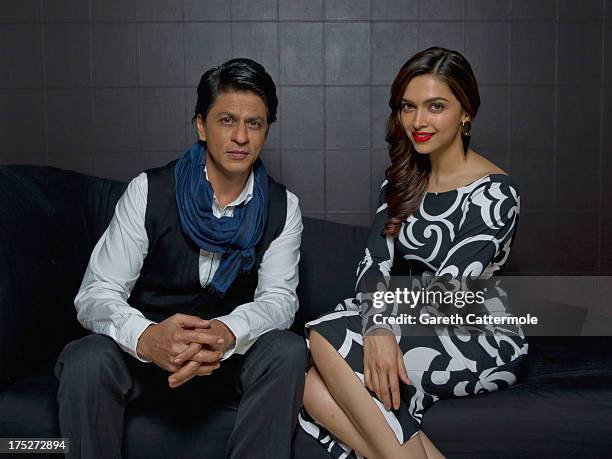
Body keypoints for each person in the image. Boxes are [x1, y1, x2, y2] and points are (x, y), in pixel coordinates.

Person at [54, 58, 307, 459]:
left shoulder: (281, 206)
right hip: (146, 358)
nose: (241, 136)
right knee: (86, 359)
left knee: (288, 350)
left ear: (266, 131)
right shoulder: (149, 190)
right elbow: (96, 292)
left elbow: (279, 300)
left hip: (226, 361)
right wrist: (146, 338)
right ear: (202, 126)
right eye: (227, 120)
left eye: (254, 124)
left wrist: (225, 333)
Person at [299, 47, 528, 458]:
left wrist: (380, 326)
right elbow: (373, 265)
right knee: (308, 381)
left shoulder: (496, 193)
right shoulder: (402, 182)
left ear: (465, 113)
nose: (418, 122)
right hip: (411, 320)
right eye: (409, 107)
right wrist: (379, 327)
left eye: (435, 106)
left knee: (326, 338)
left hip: (477, 332)